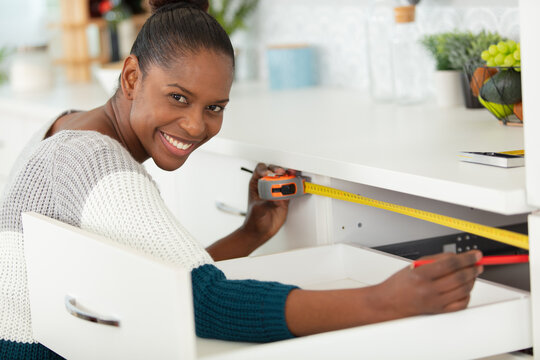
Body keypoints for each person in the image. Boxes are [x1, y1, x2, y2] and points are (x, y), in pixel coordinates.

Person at [0, 0, 483, 358]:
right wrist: (383, 301)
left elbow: (161, 284)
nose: (195, 126)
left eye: (215, 108)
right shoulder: (101, 167)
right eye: (178, 97)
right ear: (131, 78)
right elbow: (204, 301)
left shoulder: (63, 127)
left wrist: (251, 233)